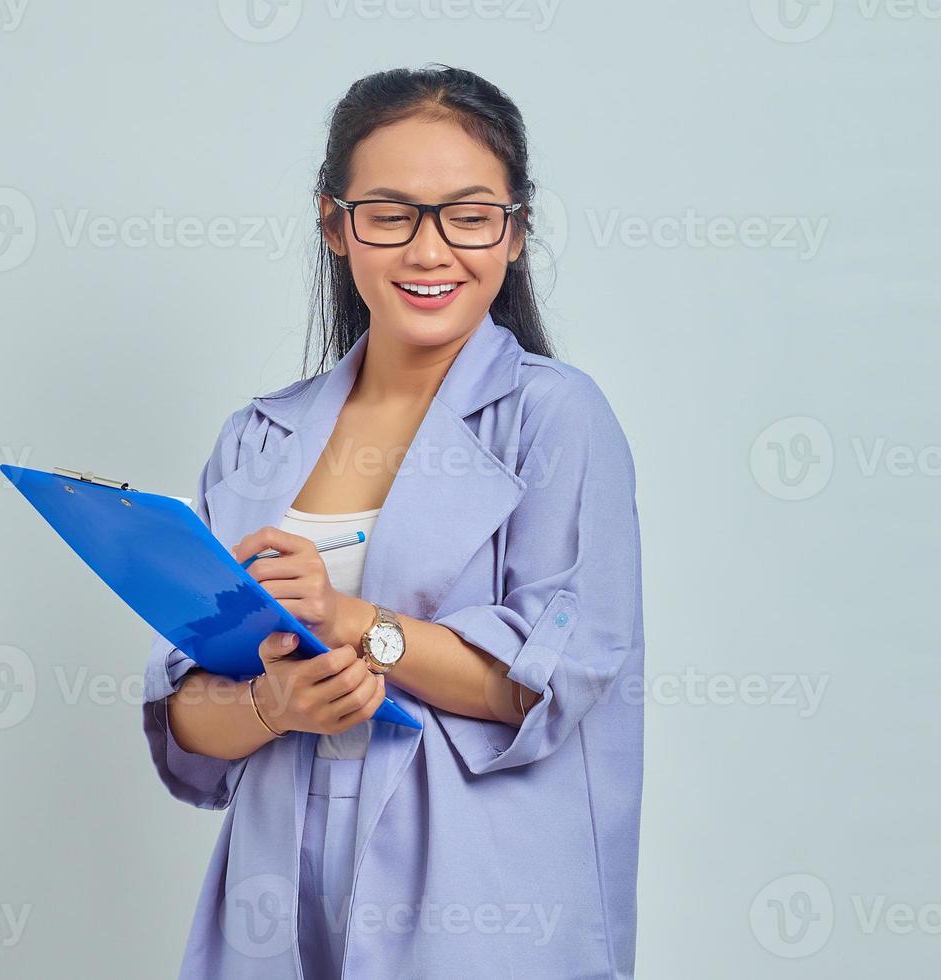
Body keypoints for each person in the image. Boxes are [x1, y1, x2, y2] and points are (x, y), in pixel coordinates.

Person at [140, 64, 645, 979]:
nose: (430, 250)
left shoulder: (557, 418)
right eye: (390, 213)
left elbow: (546, 684)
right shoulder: (258, 437)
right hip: (278, 896)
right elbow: (182, 716)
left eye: (469, 214)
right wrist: (271, 703)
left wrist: (352, 624)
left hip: (479, 908)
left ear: (517, 231)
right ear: (335, 225)